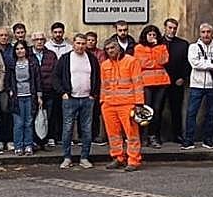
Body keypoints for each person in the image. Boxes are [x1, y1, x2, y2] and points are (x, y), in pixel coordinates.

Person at [52, 33, 101, 169]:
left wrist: (93, 94)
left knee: (86, 130)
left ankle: (84, 157)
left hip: (87, 99)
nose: (80, 46)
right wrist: (63, 93)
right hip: (70, 99)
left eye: (83, 43)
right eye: (78, 43)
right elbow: (55, 77)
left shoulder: (92, 59)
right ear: (73, 44)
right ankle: (67, 157)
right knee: (67, 129)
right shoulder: (65, 59)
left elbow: (97, 77)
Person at [99, 38, 146, 172]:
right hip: (109, 105)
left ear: (119, 48)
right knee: (113, 134)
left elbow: (138, 83)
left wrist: (139, 103)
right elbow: (103, 85)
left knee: (132, 134)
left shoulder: (131, 61)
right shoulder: (104, 64)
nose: (110, 51)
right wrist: (102, 102)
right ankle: (118, 157)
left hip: (128, 104)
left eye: (112, 48)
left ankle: (133, 160)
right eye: (107, 49)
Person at [181, 22, 213, 150]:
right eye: (203, 32)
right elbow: (195, 63)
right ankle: (189, 140)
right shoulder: (193, 47)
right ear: (199, 33)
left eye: (208, 32)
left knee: (211, 113)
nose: (206, 35)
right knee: (191, 113)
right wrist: (212, 65)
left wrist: (206, 64)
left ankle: (208, 140)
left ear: (212, 33)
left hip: (212, 85)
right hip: (196, 85)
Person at [134, 24, 170, 149]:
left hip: (161, 82)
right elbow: (142, 63)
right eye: (150, 35)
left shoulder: (162, 47)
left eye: (154, 35)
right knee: (146, 110)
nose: (152, 37)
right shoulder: (139, 48)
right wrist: (155, 62)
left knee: (157, 110)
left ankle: (153, 135)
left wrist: (155, 49)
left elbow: (164, 60)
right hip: (146, 82)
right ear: (145, 35)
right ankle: (143, 136)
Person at [5, 39, 41, 156]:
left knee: (29, 122)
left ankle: (28, 145)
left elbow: (37, 80)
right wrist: (10, 90)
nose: (20, 51)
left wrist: (39, 96)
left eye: (22, 48)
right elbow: (8, 80)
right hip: (17, 97)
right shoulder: (12, 64)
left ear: (26, 50)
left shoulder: (32, 63)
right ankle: (18, 146)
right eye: (17, 49)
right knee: (18, 123)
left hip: (30, 96)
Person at [162, 18, 190, 142]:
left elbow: (187, 63)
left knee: (176, 109)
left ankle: (177, 135)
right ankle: (156, 135)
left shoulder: (183, 44)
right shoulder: (158, 42)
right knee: (158, 109)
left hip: (176, 81)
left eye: (174, 28)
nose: (172, 30)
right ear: (165, 27)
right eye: (170, 27)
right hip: (160, 82)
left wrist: (183, 78)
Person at [30, 31, 59, 149]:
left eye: (41, 39)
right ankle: (34, 140)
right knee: (33, 116)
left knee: (49, 116)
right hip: (32, 91)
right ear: (33, 41)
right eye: (37, 40)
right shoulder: (28, 54)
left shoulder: (51, 55)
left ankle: (46, 139)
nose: (39, 42)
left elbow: (55, 72)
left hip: (48, 90)